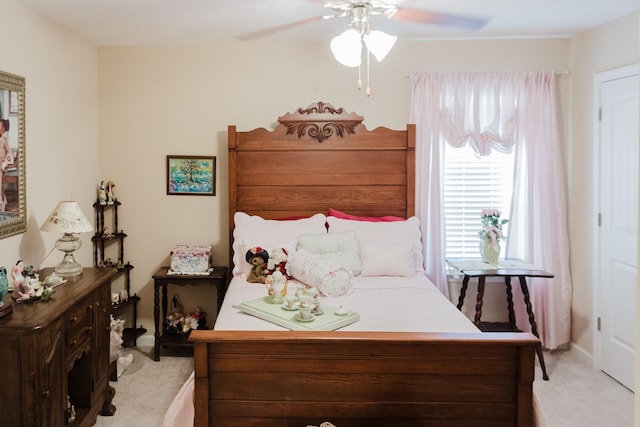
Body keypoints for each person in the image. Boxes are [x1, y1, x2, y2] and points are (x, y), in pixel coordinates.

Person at [0, 119, 14, 211]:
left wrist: (5, 162)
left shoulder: (4, 139)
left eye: (0, 127)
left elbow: (9, 153)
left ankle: (1, 204)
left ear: (4, 129)